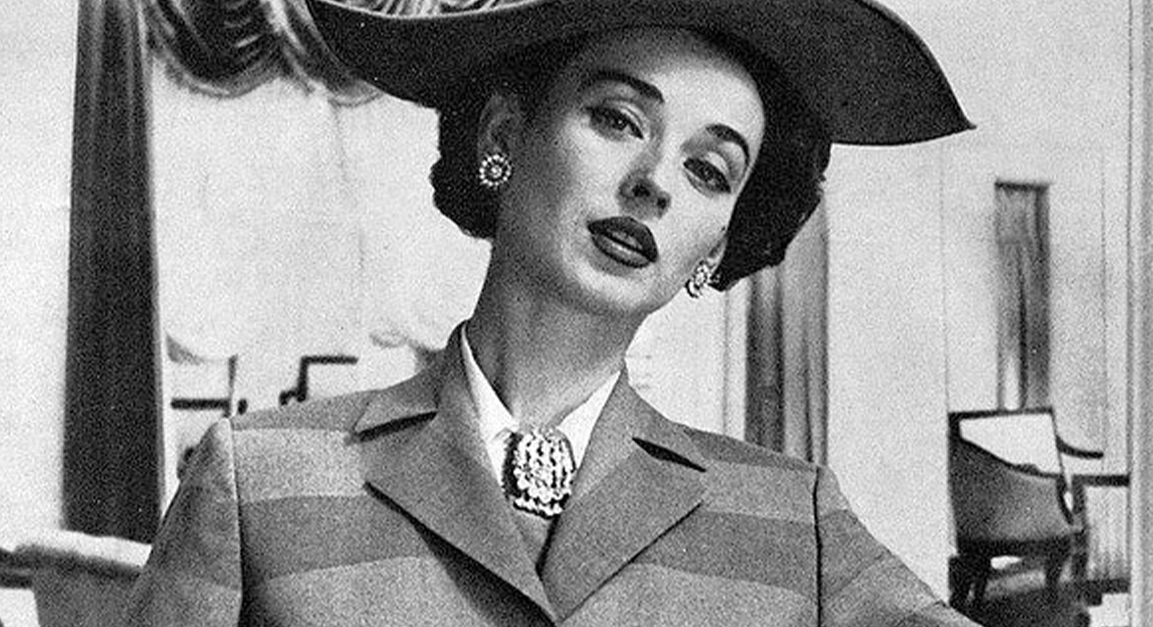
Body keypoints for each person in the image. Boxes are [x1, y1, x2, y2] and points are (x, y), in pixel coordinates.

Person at [125, 0, 977, 624]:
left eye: (709, 170)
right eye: (618, 119)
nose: (655, 181)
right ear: (503, 134)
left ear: (717, 242)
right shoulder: (260, 483)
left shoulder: (794, 521)